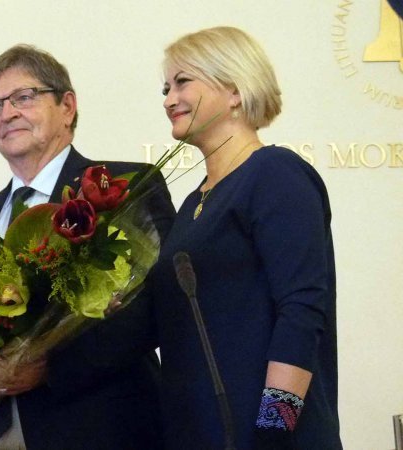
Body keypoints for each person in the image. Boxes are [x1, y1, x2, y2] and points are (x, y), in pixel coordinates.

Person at [0, 44, 175, 450]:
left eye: (24, 97)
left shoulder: (122, 189)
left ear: (67, 106)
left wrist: (52, 368)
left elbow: (154, 306)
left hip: (96, 429)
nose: (7, 113)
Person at [152, 26, 341, 449]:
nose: (168, 100)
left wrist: (275, 428)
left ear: (235, 90)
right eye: (165, 88)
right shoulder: (193, 203)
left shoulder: (274, 172)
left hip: (269, 438)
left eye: (182, 82)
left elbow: (302, 308)